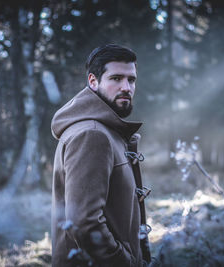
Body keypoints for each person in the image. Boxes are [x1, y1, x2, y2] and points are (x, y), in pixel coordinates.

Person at [51, 44, 151, 267]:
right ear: (93, 81)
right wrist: (124, 262)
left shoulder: (104, 131)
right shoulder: (92, 135)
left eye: (131, 80)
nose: (126, 87)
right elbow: (84, 223)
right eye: (116, 78)